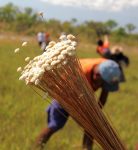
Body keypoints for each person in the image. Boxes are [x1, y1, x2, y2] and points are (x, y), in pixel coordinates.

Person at [35, 58, 122, 150]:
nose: (103, 87)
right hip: (64, 94)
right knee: (55, 124)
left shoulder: (108, 68)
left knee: (91, 127)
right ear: (97, 76)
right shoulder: (79, 74)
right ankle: (37, 147)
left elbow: (104, 95)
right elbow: (74, 102)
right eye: (102, 84)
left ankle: (87, 148)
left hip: (82, 95)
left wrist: (96, 117)